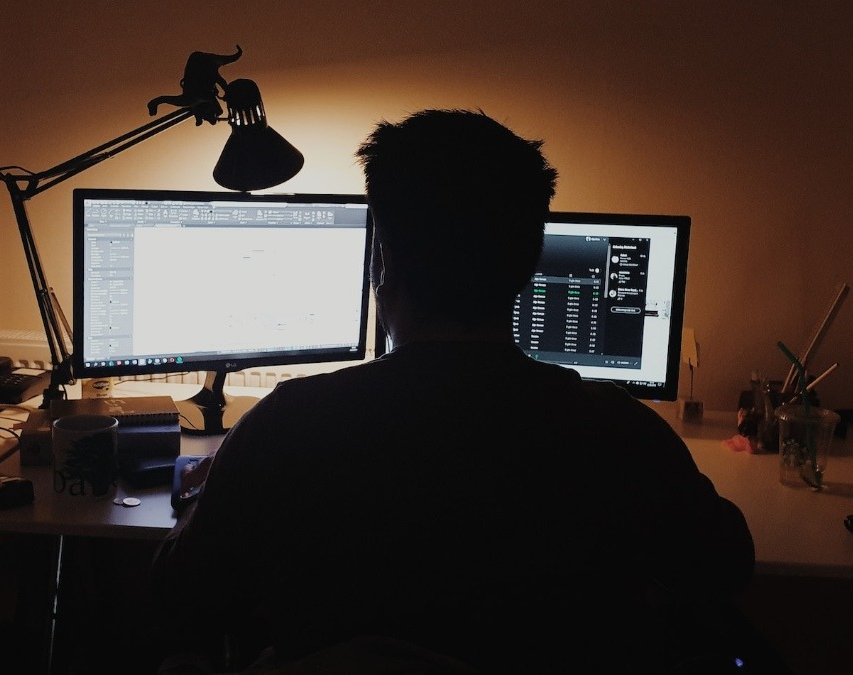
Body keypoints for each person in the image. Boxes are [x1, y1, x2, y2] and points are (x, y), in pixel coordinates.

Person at [152, 109, 759, 674]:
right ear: (528, 262)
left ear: (384, 263)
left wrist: (203, 501)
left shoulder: (289, 423)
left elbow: (183, 596)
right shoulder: (621, 432)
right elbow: (725, 566)